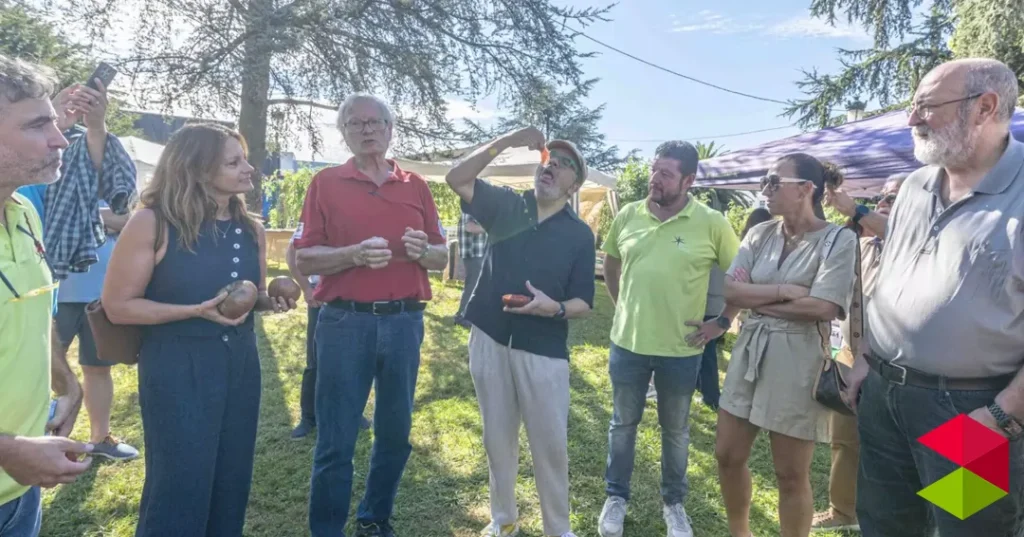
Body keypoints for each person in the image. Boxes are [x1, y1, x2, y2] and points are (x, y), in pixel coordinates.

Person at [844, 58, 1024, 537]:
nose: (911, 119)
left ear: (985, 107)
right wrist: (865, 356)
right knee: (885, 525)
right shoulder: (917, 185)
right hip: (884, 397)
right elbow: (890, 279)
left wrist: (1004, 413)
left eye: (926, 106)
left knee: (965, 530)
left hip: (970, 408)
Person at [102, 123, 296, 537]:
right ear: (197, 168)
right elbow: (118, 307)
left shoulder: (251, 229)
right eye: (234, 161)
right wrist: (194, 311)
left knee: (231, 480)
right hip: (176, 368)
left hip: (240, 367)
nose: (249, 169)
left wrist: (271, 299)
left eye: (245, 158)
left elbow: (251, 294)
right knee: (179, 487)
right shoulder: (152, 224)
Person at [295, 93, 448, 537]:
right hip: (345, 323)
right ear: (343, 132)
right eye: (355, 123)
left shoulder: (415, 185)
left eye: (374, 122)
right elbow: (306, 260)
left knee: (396, 433)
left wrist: (427, 250)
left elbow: (441, 255)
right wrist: (352, 255)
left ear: (389, 128)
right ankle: (326, 530)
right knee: (336, 439)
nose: (366, 129)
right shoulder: (325, 182)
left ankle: (374, 517)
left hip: (405, 322)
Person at [445, 127, 595, 537]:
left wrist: (556, 308)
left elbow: (584, 301)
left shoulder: (580, 234)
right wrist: (509, 140)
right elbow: (457, 178)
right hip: (490, 338)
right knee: (497, 439)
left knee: (550, 447)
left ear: (574, 185)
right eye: (550, 160)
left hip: (543, 351)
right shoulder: (507, 205)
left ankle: (558, 530)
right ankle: (503, 519)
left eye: (565, 166)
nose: (553, 167)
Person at [598, 141, 741, 537]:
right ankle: (616, 497)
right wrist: (620, 304)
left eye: (665, 173)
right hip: (627, 344)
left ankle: (674, 504)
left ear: (689, 180)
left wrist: (722, 323)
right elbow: (611, 261)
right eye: (653, 170)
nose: (654, 179)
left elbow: (741, 280)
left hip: (682, 350)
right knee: (623, 424)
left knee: (675, 430)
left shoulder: (712, 222)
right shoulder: (628, 214)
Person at [716, 153, 856, 537]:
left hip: (799, 358)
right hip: (750, 352)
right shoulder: (759, 234)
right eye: (766, 181)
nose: (766, 189)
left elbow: (824, 306)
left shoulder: (838, 240)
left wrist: (758, 300)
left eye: (775, 181)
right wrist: (783, 292)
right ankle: (738, 532)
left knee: (790, 474)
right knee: (727, 456)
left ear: (806, 190)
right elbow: (729, 289)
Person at [0, 54, 91, 537]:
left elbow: (32, 312)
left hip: (21, 490)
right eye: (38, 125)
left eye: (55, 122)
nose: (59, 138)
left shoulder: (26, 214)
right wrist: (9, 450)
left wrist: (67, 383)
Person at [810, 173, 905, 533]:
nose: (883, 202)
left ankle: (932, 516)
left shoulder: (920, 244)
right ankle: (843, 510)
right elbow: (841, 306)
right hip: (851, 359)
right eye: (882, 196)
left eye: (893, 199)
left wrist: (857, 208)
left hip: (907, 370)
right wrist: (837, 354)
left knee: (905, 453)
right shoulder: (860, 246)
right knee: (845, 440)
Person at [51, 201, 139, 460]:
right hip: (56, 295)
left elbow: (127, 221)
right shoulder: (52, 179)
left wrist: (83, 214)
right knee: (39, 371)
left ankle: (100, 439)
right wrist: (103, 219)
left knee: (98, 368)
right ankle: (40, 446)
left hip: (101, 296)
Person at [285, 239, 371, 439]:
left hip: (356, 298)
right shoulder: (320, 209)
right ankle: (308, 418)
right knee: (316, 361)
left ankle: (354, 413)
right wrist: (307, 288)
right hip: (322, 296)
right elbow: (292, 253)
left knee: (356, 361)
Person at [454, 211, 488, 329]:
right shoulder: (472, 208)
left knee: (473, 285)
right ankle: (461, 316)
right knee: (472, 286)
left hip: (476, 253)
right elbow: (470, 227)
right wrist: (491, 226)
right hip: (473, 253)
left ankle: (468, 315)